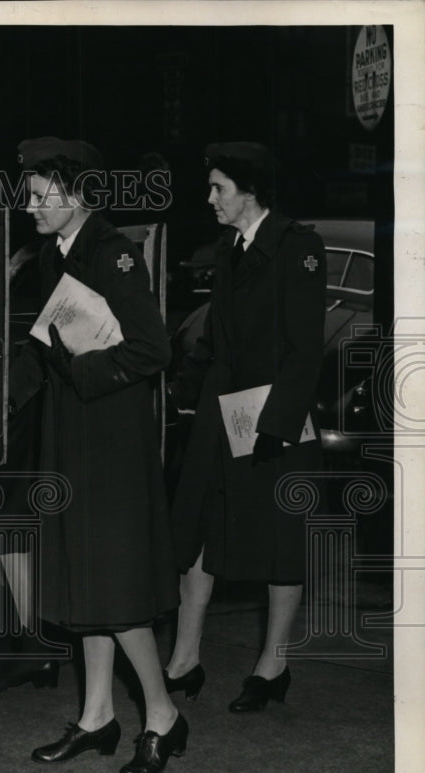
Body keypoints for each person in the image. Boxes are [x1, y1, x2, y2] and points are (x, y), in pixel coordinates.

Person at [9, 136, 185, 773]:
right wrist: (5, 398)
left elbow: (153, 351)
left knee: (112, 588)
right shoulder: (59, 254)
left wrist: (81, 371)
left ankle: (162, 713)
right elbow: (42, 343)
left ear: (76, 192)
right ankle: (96, 716)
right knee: (84, 580)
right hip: (71, 436)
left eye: (38, 193)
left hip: (108, 442)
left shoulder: (112, 256)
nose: (28, 204)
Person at [165, 142, 327, 712]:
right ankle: (184, 659)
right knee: (199, 531)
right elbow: (213, 339)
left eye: (219, 188)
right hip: (224, 409)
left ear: (250, 190)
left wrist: (274, 423)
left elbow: (306, 349)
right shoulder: (227, 246)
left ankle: (272, 662)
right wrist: (181, 390)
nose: (209, 198)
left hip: (275, 416)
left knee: (281, 541)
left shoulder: (297, 246)